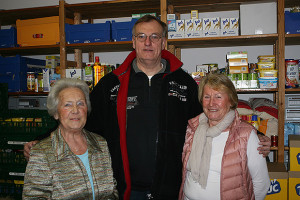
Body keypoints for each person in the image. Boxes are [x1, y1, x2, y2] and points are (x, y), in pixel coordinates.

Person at [24, 15, 271, 200]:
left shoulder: (182, 81)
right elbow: (78, 117)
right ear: (133, 42)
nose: (148, 42)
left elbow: (214, 114)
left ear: (164, 41)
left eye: (154, 36)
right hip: (124, 188)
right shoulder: (113, 83)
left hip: (170, 187)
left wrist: (255, 136)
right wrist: (42, 140)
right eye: (141, 36)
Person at [22, 78, 118, 200]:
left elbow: (112, 190)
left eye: (80, 104)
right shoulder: (41, 153)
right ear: (56, 113)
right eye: (67, 105)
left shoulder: (100, 143)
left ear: (86, 109)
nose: (75, 110)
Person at [179, 73, 270, 200]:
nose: (211, 103)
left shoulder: (246, 135)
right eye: (207, 97)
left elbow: (261, 184)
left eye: (218, 97)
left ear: (231, 100)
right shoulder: (192, 129)